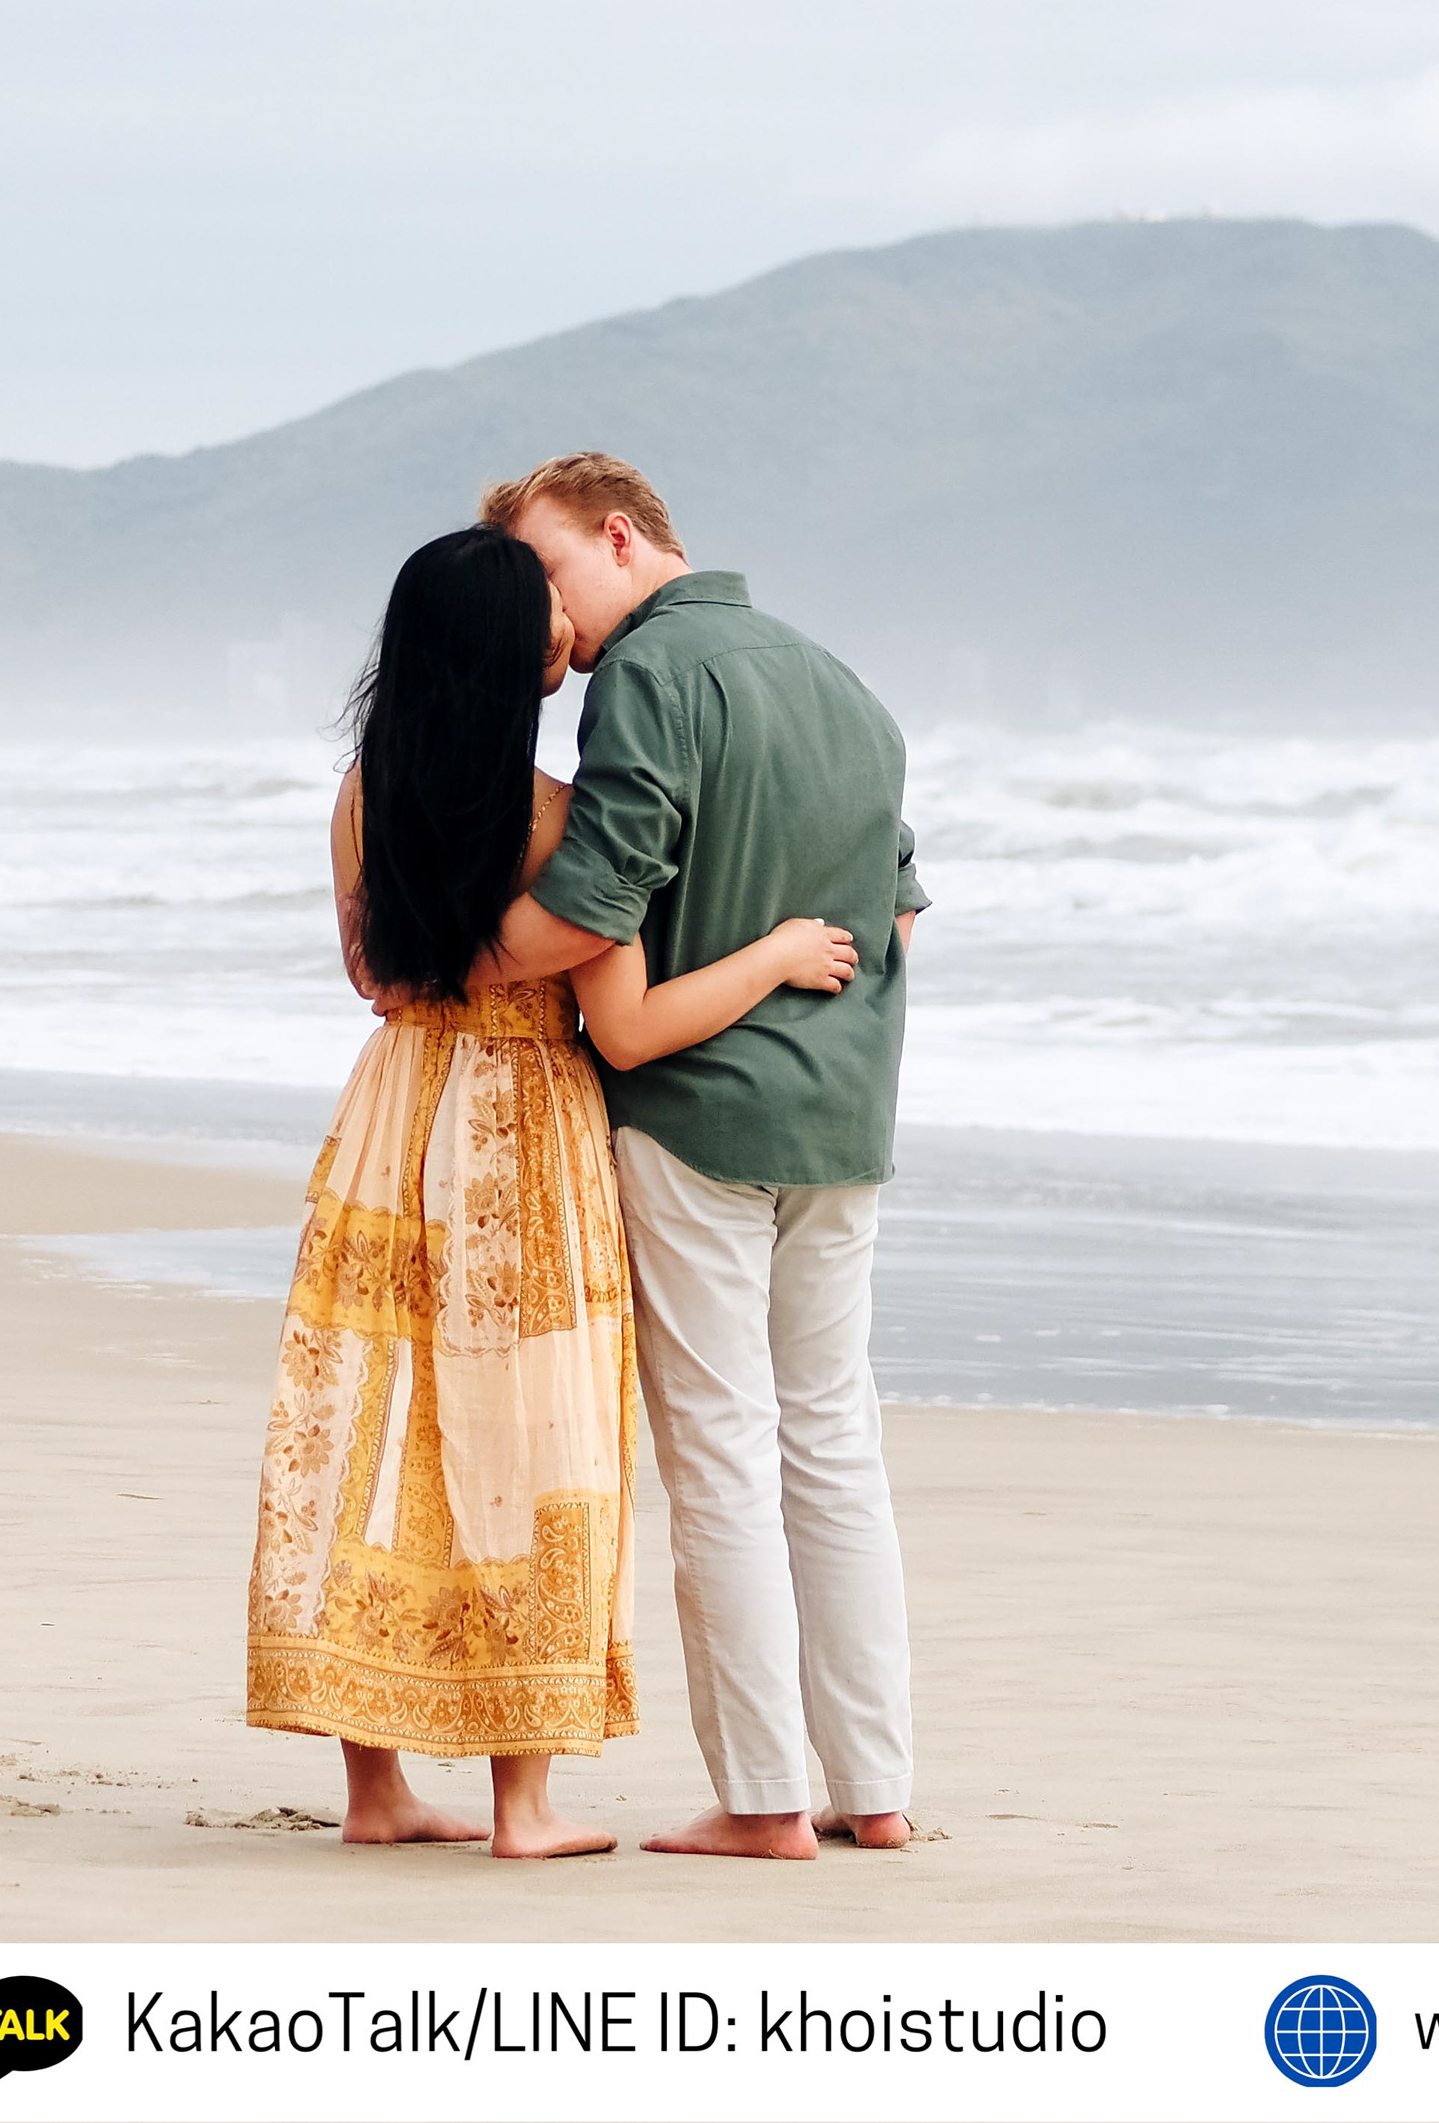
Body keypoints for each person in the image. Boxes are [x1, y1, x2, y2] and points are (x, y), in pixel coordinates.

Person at [246, 524, 861, 1860]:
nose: (565, 639)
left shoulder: (361, 790)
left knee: (380, 1427)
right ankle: (524, 1804)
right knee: (534, 1437)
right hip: (527, 1124)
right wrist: (772, 954)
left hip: (394, 1113)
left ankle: (378, 1791)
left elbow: (374, 977)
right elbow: (627, 1020)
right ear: (511, 653)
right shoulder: (559, 820)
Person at [467, 451, 928, 1861]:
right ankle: (878, 1790)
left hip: (701, 1115)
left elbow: (594, 905)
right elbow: (901, 914)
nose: (546, 621)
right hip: (845, 1118)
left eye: (546, 571)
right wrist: (794, 966)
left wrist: (443, 957)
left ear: (620, 534)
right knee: (835, 1447)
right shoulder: (837, 677)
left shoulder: (648, 681)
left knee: (724, 1454)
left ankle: (764, 1803)